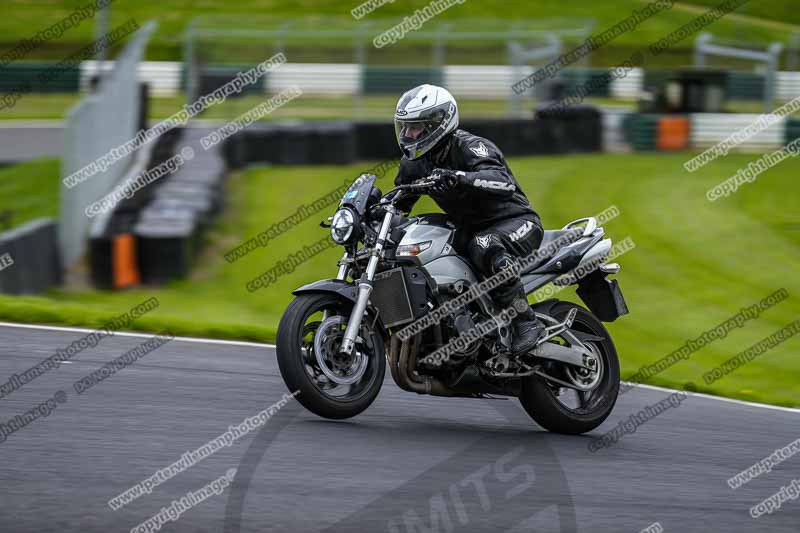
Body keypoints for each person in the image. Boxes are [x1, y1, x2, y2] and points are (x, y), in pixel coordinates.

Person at [391, 84, 545, 356]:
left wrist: (461, 178)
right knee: (420, 249)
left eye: (414, 127)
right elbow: (399, 202)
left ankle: (525, 322)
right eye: (404, 127)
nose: (407, 134)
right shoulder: (413, 163)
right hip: (468, 229)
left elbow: (503, 183)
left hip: (516, 222)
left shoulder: (471, 147)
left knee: (484, 244)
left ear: (436, 124)